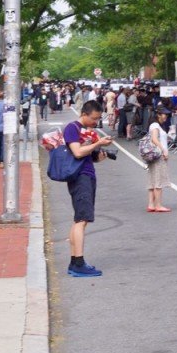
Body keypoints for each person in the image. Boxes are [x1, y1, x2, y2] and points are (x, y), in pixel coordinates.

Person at [64, 100, 113, 278]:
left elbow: (90, 157)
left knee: (80, 219)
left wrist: (100, 152)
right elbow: (77, 152)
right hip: (80, 177)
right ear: (84, 114)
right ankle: (78, 262)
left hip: (87, 174)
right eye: (94, 118)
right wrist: (97, 142)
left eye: (99, 119)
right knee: (82, 219)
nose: (96, 122)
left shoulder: (87, 132)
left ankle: (74, 261)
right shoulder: (72, 128)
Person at [145, 107, 171, 213]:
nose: (166, 116)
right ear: (158, 115)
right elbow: (154, 139)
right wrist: (164, 150)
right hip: (158, 155)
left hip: (154, 155)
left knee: (153, 180)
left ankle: (151, 204)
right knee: (158, 181)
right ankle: (158, 205)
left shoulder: (155, 125)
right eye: (164, 114)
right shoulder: (155, 125)